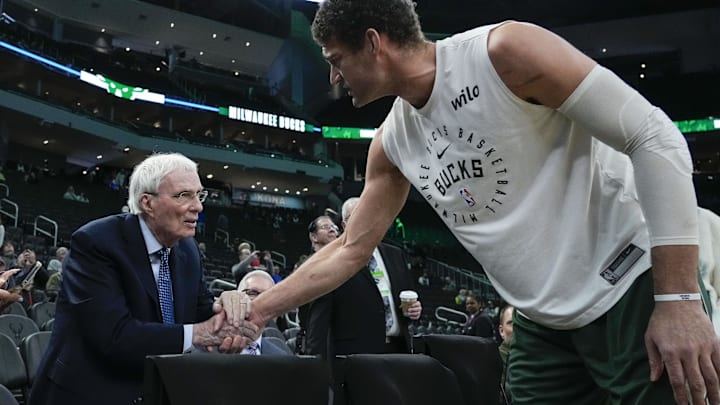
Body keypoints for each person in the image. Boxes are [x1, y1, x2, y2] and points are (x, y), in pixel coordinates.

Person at [244, 1, 719, 404]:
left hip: (628, 288)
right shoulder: (391, 142)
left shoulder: (504, 52)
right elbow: (350, 248)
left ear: (374, 43)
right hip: (541, 320)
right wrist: (260, 309)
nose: (332, 75)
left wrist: (678, 300)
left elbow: (655, 138)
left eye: (336, 58)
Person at [29, 153, 257, 405]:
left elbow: (199, 307)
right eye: (184, 195)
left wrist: (225, 305)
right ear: (147, 203)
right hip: (88, 394)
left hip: (155, 390)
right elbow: (114, 337)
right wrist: (200, 334)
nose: (198, 207)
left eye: (199, 195)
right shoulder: (95, 243)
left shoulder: (188, 249)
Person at [306, 198, 422, 357]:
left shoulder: (395, 254)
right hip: (356, 357)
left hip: (399, 349)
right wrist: (314, 363)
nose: (367, 221)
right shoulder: (332, 259)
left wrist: (415, 311)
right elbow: (319, 319)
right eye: (359, 216)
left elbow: (408, 298)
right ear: (345, 225)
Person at [236, 270, 291, 356]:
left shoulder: (281, 357)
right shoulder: (209, 347)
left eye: (267, 296)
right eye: (252, 293)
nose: (259, 300)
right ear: (236, 296)